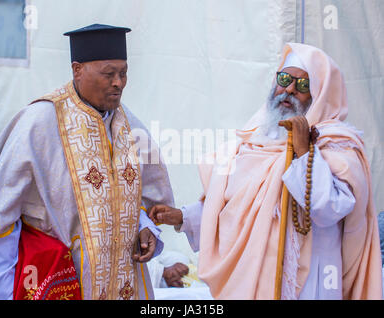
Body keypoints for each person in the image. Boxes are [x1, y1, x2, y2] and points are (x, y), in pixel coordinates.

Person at [149, 43, 383, 300]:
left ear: (320, 94)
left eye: (303, 85)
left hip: (309, 284)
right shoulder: (252, 141)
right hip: (254, 279)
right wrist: (182, 217)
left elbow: (328, 209)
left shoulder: (337, 145)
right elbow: (234, 208)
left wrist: (304, 152)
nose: (289, 89)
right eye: (284, 79)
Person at [0, 24, 174, 300]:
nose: (118, 82)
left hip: (125, 286)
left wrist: (146, 227)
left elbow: (139, 201)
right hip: (61, 281)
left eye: (123, 73)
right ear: (77, 70)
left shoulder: (131, 126)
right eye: (109, 74)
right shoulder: (39, 123)